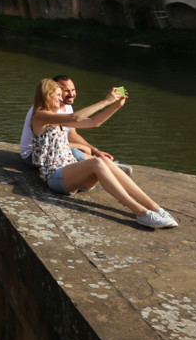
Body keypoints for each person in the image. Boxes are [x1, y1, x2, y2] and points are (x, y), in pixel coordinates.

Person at [28, 77, 177, 230]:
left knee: (105, 161)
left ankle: (156, 208)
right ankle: (141, 213)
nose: (61, 99)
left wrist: (116, 105)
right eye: (58, 95)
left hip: (74, 176)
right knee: (97, 162)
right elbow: (75, 117)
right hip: (56, 177)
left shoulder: (57, 118)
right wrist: (106, 101)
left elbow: (94, 122)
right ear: (47, 95)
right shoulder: (40, 116)